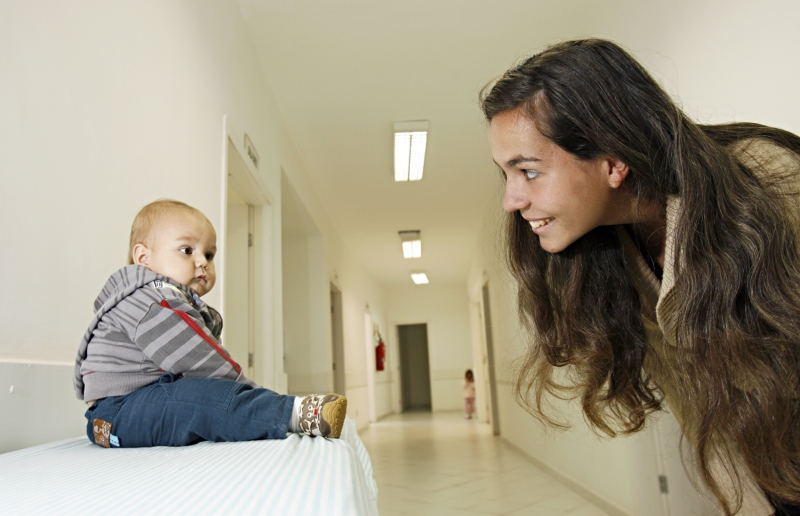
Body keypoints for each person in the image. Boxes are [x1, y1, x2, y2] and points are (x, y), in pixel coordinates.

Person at [481, 39, 800, 516]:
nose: (511, 199)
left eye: (528, 171)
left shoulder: (773, 180)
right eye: (506, 174)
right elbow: (703, 406)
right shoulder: (609, 251)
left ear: (613, 161)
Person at [73, 199, 347, 448]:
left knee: (192, 398)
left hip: (135, 405)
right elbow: (200, 361)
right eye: (186, 250)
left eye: (209, 254)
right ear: (143, 258)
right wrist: (248, 395)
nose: (202, 262)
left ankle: (262, 412)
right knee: (194, 400)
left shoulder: (163, 297)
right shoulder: (153, 301)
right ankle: (293, 413)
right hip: (117, 414)